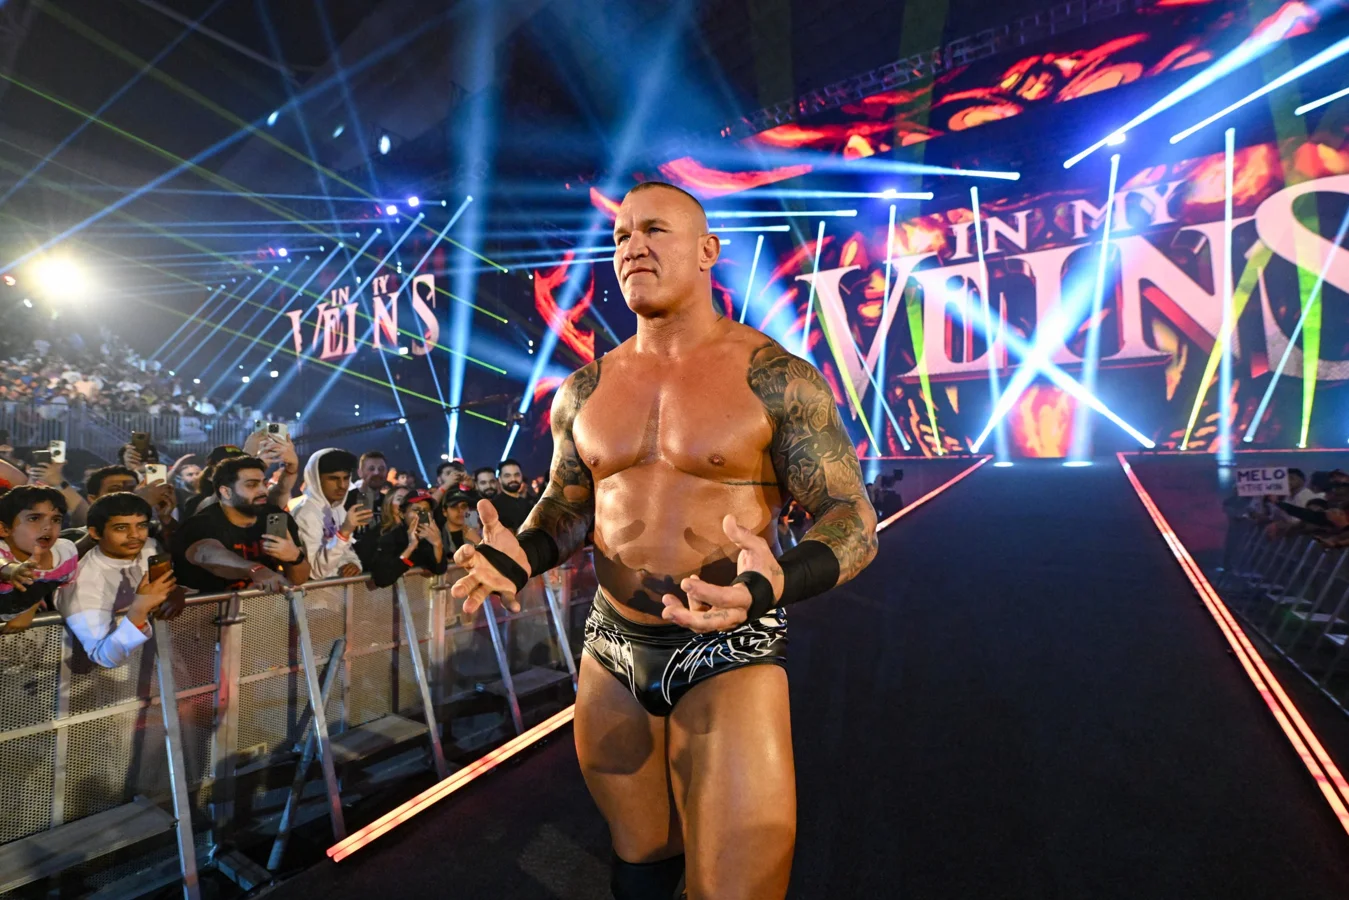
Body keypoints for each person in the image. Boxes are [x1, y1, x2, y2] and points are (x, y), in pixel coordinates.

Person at [450, 182, 877, 899]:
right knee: (641, 862)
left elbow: (851, 516)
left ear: (708, 250)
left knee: (737, 884)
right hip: (611, 650)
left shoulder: (776, 378)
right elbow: (567, 506)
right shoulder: (583, 389)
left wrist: (773, 582)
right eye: (621, 236)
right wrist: (517, 555)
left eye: (654, 230)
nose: (632, 247)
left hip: (729, 651)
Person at [57, 493, 180, 668]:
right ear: (95, 533)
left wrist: (175, 590)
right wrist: (140, 608)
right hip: (111, 679)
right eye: (121, 528)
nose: (135, 535)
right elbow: (103, 656)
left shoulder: (149, 546)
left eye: (141, 525)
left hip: (163, 664)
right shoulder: (83, 583)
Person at [173, 456, 310, 594]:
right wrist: (256, 570)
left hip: (266, 606)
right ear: (226, 492)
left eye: (264, 483)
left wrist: (295, 557)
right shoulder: (201, 524)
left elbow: (299, 580)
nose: (263, 491)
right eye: (251, 485)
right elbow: (208, 554)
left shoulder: (274, 517)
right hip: (216, 607)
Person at [0, 485, 79, 633]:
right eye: (34, 518)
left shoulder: (65, 553)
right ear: (4, 529)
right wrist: (12, 570)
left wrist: (31, 608)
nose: (48, 527)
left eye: (56, 519)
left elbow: (60, 592)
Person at [288, 449, 369, 579]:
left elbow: (347, 551)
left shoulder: (338, 509)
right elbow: (316, 571)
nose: (342, 485)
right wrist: (343, 533)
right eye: (333, 479)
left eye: (346, 478)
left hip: (341, 589)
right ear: (316, 479)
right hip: (317, 591)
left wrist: (353, 564)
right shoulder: (305, 513)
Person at [370, 490, 448, 587]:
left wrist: (438, 544)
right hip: (385, 595)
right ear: (402, 514)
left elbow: (439, 569)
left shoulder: (428, 539)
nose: (421, 514)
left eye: (426, 510)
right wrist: (411, 547)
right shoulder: (389, 538)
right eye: (416, 510)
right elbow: (382, 579)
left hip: (417, 594)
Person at [345, 450, 389, 570]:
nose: (376, 473)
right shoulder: (347, 500)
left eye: (381, 469)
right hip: (353, 570)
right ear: (360, 473)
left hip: (382, 570)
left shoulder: (389, 502)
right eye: (371, 468)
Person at [490, 458, 534, 531]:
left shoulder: (527, 503)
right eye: (507, 476)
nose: (513, 479)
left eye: (517, 475)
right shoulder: (494, 506)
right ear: (500, 479)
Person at [440, 488, 481, 554]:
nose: (460, 511)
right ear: (444, 512)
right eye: (454, 507)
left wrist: (478, 540)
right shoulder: (439, 535)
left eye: (464, 506)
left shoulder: (476, 527)